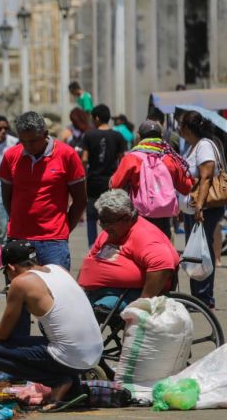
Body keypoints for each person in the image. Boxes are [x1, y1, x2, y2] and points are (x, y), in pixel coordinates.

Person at [0, 240, 103, 412]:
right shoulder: (57, 269)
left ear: (11, 268)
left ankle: (58, 381)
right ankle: (72, 388)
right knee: (51, 336)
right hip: (94, 352)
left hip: (71, 356)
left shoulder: (21, 282)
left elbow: (3, 332)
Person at [0, 111, 87, 271]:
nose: (27, 146)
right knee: (19, 292)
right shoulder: (11, 156)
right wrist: (16, 220)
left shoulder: (67, 155)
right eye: (23, 141)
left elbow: (80, 200)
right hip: (18, 239)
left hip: (53, 242)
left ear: (45, 134)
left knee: (55, 292)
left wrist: (64, 229)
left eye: (32, 141)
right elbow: (7, 196)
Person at [78, 189, 179, 309]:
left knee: (96, 310)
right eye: (101, 221)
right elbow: (91, 259)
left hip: (129, 294)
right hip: (101, 290)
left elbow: (163, 265)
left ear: (126, 218)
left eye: (108, 222)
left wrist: (141, 306)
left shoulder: (144, 235)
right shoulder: (111, 232)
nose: (104, 226)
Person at [109, 120, 193, 238]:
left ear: (139, 136)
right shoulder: (169, 158)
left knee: (141, 250)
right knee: (162, 250)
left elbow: (115, 184)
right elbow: (186, 187)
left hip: (140, 216)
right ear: (161, 136)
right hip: (164, 216)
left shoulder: (131, 158)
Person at [179, 110, 225, 309]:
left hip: (204, 208)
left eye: (181, 125)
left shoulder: (204, 145)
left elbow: (206, 177)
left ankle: (204, 298)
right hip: (195, 209)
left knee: (202, 251)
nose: (179, 129)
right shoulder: (194, 146)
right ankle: (198, 297)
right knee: (196, 251)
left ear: (188, 128)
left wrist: (199, 206)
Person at [81, 104, 126, 247]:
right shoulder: (118, 136)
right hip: (111, 182)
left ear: (97, 118)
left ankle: (93, 246)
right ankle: (109, 244)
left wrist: (84, 176)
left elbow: (84, 159)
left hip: (93, 181)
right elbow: (122, 160)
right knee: (110, 215)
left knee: (91, 216)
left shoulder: (89, 135)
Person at [0, 115, 18, 245]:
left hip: (13, 189)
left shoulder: (14, 142)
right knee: (2, 231)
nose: (3, 131)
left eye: (5, 128)